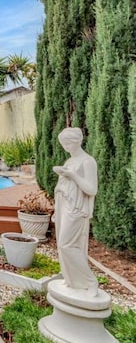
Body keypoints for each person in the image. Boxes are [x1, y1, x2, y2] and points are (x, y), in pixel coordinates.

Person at [52, 127, 98, 297]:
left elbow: (92, 189)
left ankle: (90, 281)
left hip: (77, 208)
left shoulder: (87, 162)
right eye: (63, 144)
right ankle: (72, 280)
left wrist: (73, 176)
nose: (64, 147)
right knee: (62, 245)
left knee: (67, 244)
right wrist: (56, 210)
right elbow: (63, 186)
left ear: (77, 142)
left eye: (67, 143)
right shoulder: (69, 161)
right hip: (64, 205)